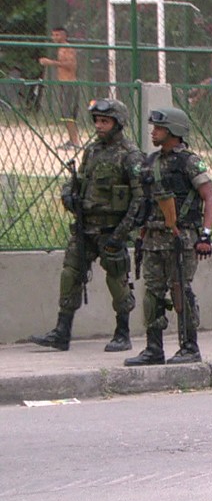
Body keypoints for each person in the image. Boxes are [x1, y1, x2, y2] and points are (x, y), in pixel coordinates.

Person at [29, 98, 143, 352]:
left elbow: (140, 198)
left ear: (118, 123)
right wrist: (68, 193)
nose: (99, 126)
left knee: (117, 280)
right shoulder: (92, 151)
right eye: (97, 121)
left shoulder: (130, 155)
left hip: (111, 230)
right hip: (85, 228)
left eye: (105, 121)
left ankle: (122, 333)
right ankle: (62, 331)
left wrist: (121, 233)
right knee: (70, 274)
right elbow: (78, 180)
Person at [125, 107, 212, 366]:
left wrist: (206, 236)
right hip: (154, 238)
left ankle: (189, 346)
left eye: (159, 128)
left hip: (182, 238)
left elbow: (209, 198)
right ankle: (154, 348)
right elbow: (144, 201)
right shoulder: (151, 161)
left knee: (180, 290)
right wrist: (140, 232)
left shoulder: (189, 161)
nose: (153, 132)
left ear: (174, 131)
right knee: (152, 293)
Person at [39, 27, 81, 149]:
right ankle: (71, 140)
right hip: (63, 83)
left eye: (57, 35)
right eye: (53, 35)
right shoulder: (60, 49)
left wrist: (51, 63)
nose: (55, 38)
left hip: (70, 84)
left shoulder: (67, 48)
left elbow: (71, 65)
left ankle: (75, 142)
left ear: (64, 35)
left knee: (68, 114)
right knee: (65, 114)